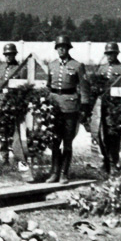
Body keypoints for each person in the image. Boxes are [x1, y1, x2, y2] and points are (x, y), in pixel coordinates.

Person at [45, 35, 90, 183]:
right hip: (54, 107)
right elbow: (48, 86)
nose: (61, 49)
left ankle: (64, 173)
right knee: (54, 141)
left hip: (70, 107)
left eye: (64, 47)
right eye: (59, 47)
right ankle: (54, 172)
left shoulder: (77, 66)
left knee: (67, 141)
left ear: (68, 48)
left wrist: (84, 108)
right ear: (56, 49)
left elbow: (84, 88)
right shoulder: (51, 65)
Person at [95, 42, 121, 175]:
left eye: (112, 54)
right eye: (108, 54)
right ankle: (105, 160)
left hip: (116, 108)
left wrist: (120, 107)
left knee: (114, 136)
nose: (110, 56)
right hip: (102, 106)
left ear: (116, 54)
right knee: (101, 134)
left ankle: (114, 161)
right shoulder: (101, 69)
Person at [0, 43, 27, 164]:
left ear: (14, 55)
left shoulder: (20, 69)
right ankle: (3, 157)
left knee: (14, 131)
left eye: (10, 54)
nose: (8, 57)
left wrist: (20, 104)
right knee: (0, 130)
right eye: (6, 55)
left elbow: (23, 88)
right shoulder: (0, 69)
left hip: (13, 102)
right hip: (1, 102)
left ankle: (17, 157)